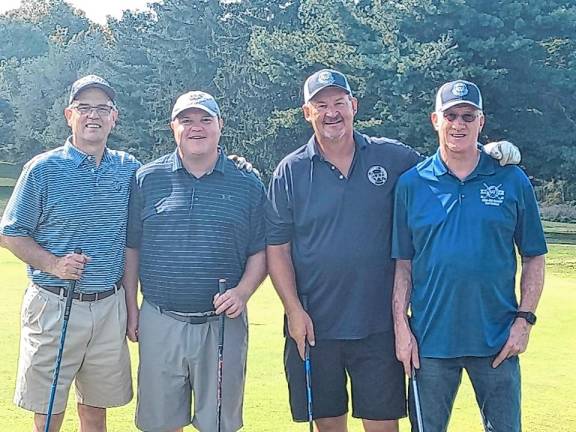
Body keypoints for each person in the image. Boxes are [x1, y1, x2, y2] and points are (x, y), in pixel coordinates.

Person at [265, 69, 521, 432]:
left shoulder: (392, 157)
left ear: (354, 105)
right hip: (315, 324)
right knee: (327, 426)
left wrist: (488, 152)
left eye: (339, 102)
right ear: (307, 112)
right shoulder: (289, 171)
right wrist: (293, 309)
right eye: (320, 105)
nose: (331, 112)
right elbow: (277, 245)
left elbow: (448, 164)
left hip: (379, 327)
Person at [392, 80, 547, 432]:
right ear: (435, 120)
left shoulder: (512, 178)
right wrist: (402, 327)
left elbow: (534, 256)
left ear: (481, 121)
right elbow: (403, 264)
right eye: (450, 115)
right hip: (430, 340)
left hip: (497, 338)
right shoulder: (412, 184)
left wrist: (524, 321)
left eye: (467, 115)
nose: (458, 124)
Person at [0, 75, 138, 432]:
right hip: (54, 303)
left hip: (109, 306)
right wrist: (54, 264)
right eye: (84, 108)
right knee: (49, 412)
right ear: (69, 115)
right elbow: (10, 232)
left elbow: (175, 176)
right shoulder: (43, 169)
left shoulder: (129, 169)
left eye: (102, 109)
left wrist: (228, 161)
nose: (93, 115)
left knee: (95, 410)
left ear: (114, 117)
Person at [124, 90, 267, 432]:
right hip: (160, 318)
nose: (196, 128)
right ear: (172, 127)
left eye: (205, 119)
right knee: (160, 425)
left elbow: (261, 251)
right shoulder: (148, 178)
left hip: (222, 325)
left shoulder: (248, 182)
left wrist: (243, 292)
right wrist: (132, 309)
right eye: (186, 120)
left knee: (219, 425)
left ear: (220, 125)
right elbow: (132, 249)